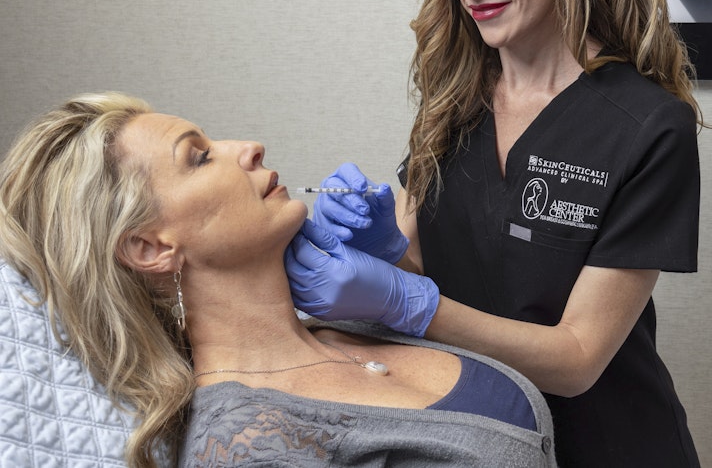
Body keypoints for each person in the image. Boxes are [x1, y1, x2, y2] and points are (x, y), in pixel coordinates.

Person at [290, 0, 703, 467]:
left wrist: (408, 303)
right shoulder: (455, 100)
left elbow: (576, 359)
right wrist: (384, 251)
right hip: (476, 443)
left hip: (611, 446)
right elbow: (423, 262)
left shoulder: (647, 126)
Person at [0, 92, 557, 468]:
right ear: (150, 247)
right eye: (199, 158)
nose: (248, 147)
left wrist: (398, 269)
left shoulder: (353, 321)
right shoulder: (248, 445)